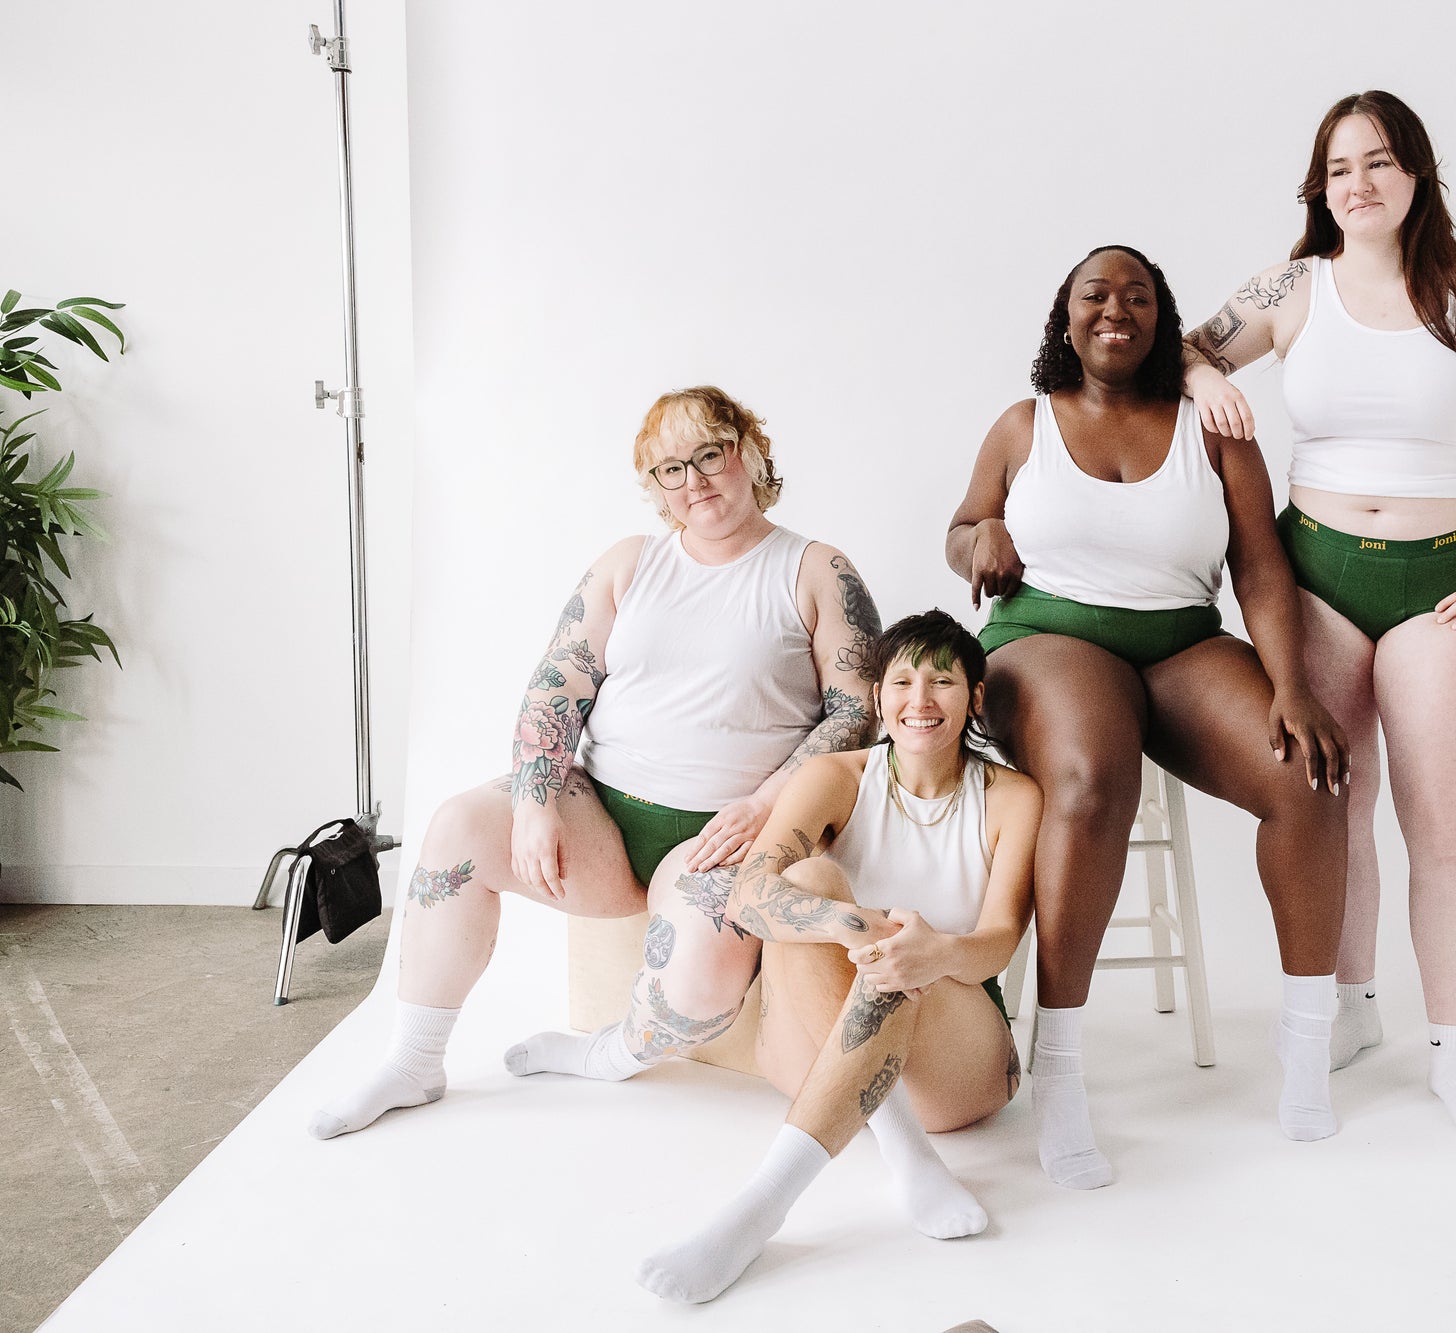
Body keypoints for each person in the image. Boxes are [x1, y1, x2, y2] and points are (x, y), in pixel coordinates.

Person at [308, 385, 884, 1139]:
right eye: (671, 469)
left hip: (728, 834)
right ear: (656, 486)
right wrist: (535, 801)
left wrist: (767, 803)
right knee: (456, 828)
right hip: (601, 819)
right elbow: (557, 686)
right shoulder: (630, 563)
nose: (694, 481)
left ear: (747, 451)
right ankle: (414, 1060)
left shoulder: (814, 568)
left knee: (701, 982)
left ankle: (608, 1054)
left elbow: (856, 712)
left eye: (710, 454)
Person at [1182, 90, 1456, 1138]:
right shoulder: (1291, 286)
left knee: (1438, 824)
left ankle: (1452, 1051)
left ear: (1415, 173)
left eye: (1376, 162)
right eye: (1337, 168)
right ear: (1317, 188)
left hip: (1441, 583)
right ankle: (1352, 1008)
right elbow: (1181, 347)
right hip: (1313, 576)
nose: (1356, 184)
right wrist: (1204, 378)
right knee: (1334, 804)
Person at [944, 244, 1350, 1191]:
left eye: (1137, 297)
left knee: (1307, 773)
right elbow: (961, 529)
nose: (1115, 310)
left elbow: (1259, 567)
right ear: (1067, 316)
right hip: (1044, 636)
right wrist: (983, 535)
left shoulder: (1214, 428)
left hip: (1179, 640)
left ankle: (1306, 1041)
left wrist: (1290, 684)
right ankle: (1059, 1067)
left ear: (1164, 321)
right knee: (1093, 776)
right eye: (1096, 294)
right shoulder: (1024, 424)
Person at [636, 611, 1040, 1304]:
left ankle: (762, 1204)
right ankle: (902, 1151)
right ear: (878, 696)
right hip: (818, 1043)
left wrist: (935, 952)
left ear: (974, 697)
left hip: (954, 1065)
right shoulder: (835, 776)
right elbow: (750, 897)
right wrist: (856, 925)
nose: (920, 699)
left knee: (902, 949)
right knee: (812, 882)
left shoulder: (1012, 797)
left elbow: (1001, 939)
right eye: (902, 681)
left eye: (943, 681)